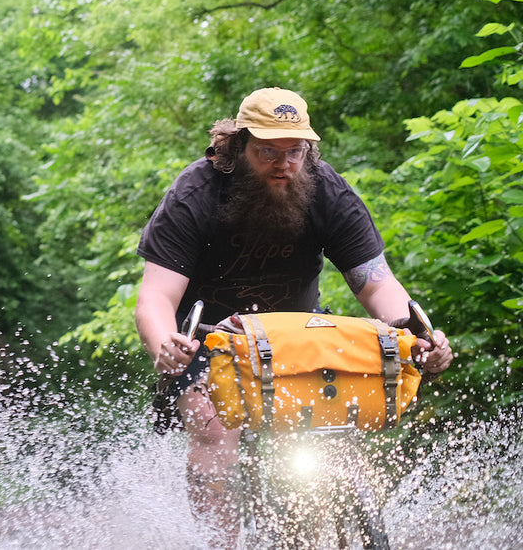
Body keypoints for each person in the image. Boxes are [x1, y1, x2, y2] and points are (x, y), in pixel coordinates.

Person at [134, 87, 453, 544]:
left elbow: (377, 282)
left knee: (337, 429)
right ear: (236, 147)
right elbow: (155, 298)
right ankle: (216, 541)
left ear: (309, 149)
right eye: (267, 151)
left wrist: (419, 334)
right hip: (205, 341)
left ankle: (342, 523)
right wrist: (166, 343)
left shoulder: (328, 191)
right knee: (212, 427)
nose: (283, 163)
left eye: (295, 151)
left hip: (299, 337)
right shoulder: (196, 194)